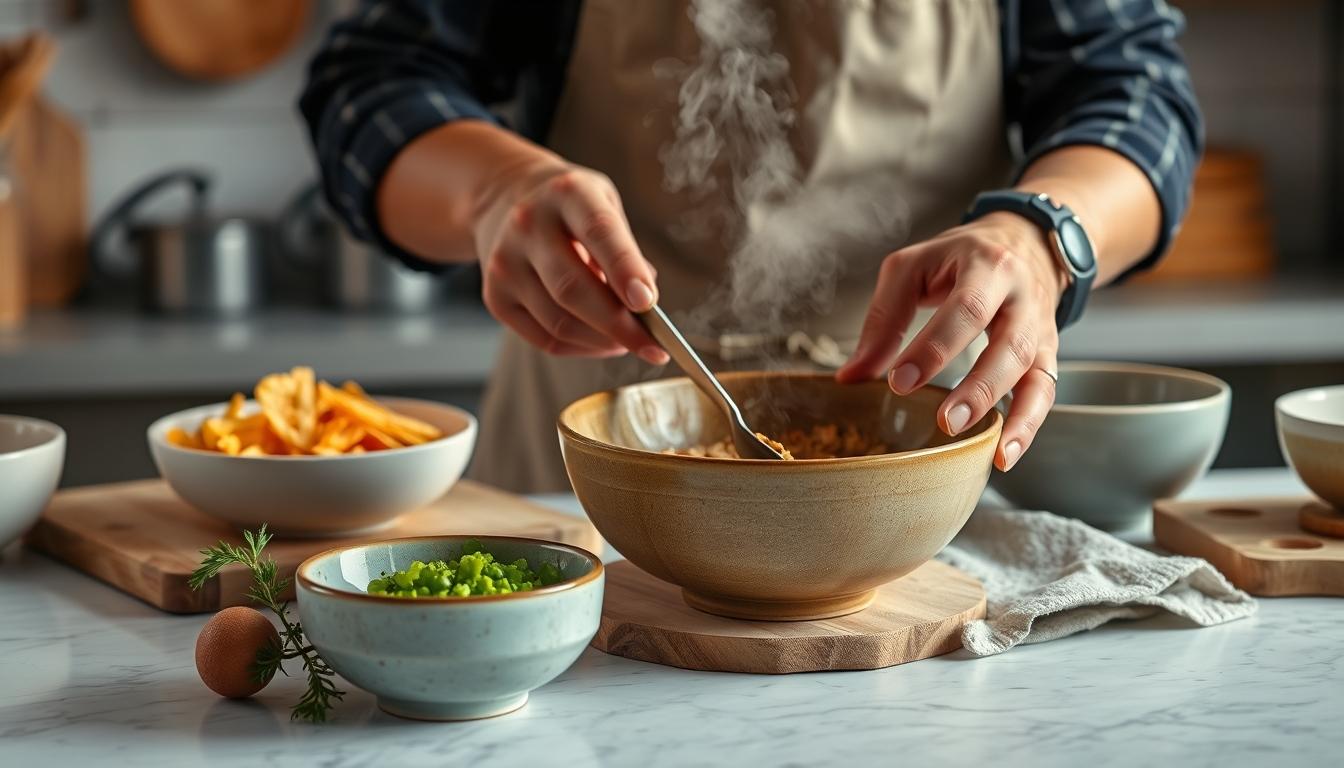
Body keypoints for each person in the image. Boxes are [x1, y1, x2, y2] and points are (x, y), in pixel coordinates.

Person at [300, 0, 1202, 493]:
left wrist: (1041, 236)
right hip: (582, 481)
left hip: (928, 471)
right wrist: (495, 189)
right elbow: (374, 83)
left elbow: (1134, 91)